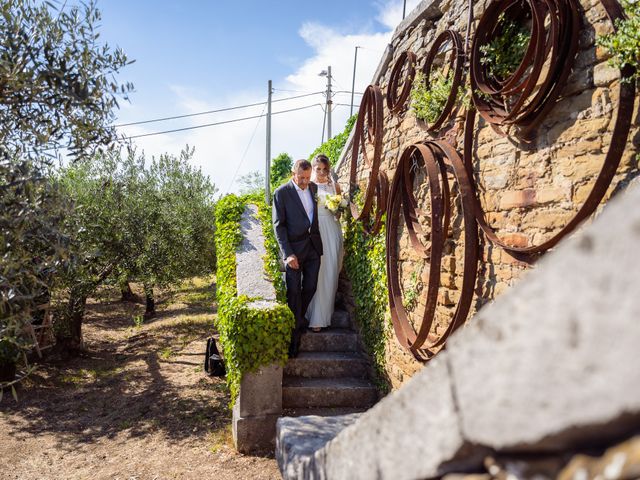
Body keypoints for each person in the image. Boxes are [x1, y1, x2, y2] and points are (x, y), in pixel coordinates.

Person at [272, 159, 323, 357]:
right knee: (293, 293)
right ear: (293, 173)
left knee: (311, 287)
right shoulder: (281, 193)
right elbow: (279, 226)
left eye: (307, 177)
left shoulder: (313, 189)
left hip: (312, 248)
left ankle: (298, 319)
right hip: (293, 250)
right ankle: (293, 342)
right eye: (301, 178)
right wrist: (287, 254)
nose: (305, 181)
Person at [306, 154, 344, 332]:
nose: (321, 172)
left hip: (332, 230)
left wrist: (336, 208)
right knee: (317, 272)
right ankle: (313, 315)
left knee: (330, 271)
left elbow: (339, 215)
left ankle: (323, 316)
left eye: (324, 169)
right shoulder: (308, 186)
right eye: (318, 169)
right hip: (315, 232)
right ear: (313, 168)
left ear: (329, 169)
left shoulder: (335, 186)